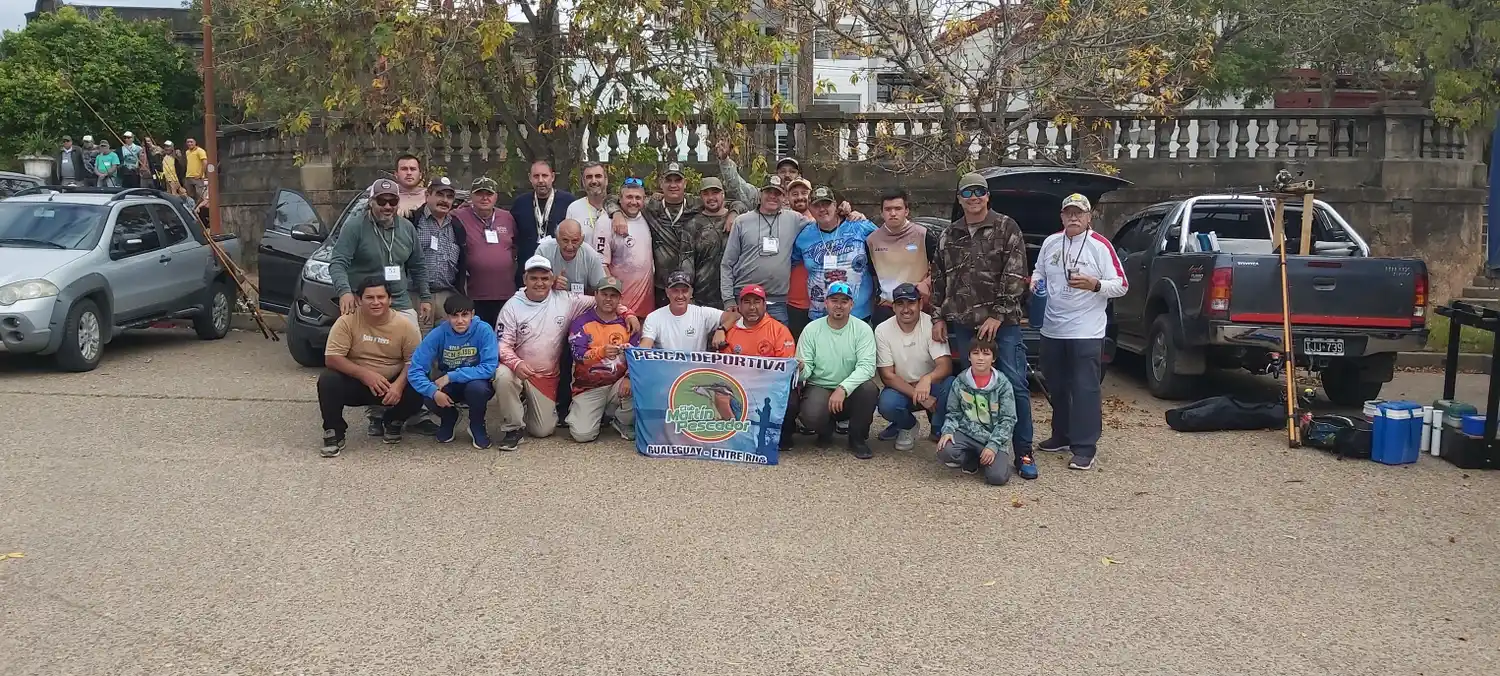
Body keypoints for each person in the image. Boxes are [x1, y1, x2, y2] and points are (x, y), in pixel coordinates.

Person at [930, 171, 1036, 480]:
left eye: (979, 191)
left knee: (1015, 386)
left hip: (1002, 326)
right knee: (971, 389)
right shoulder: (949, 235)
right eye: (967, 192)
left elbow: (1016, 275)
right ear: (960, 198)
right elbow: (938, 279)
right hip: (964, 325)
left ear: (988, 196)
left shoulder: (1006, 228)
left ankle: (1023, 450)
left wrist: (998, 314)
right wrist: (937, 315)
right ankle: (975, 449)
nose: (974, 197)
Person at [494, 255, 637, 450]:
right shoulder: (511, 306)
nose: (539, 283)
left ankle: (525, 405)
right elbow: (501, 345)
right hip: (518, 369)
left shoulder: (566, 300)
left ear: (552, 280)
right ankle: (513, 428)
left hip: (544, 377)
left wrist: (627, 312)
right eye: (534, 278)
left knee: (542, 431)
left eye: (544, 278)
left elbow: (603, 301)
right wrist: (516, 364)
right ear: (524, 279)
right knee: (502, 375)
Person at [1032, 193, 1127, 471]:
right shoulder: (1051, 242)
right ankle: (1062, 434)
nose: (1073, 218)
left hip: (1086, 330)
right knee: (1056, 385)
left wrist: (1096, 284)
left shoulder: (1101, 246)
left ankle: (1085, 446)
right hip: (1052, 328)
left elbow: (1121, 285)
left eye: (1079, 213)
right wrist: (1035, 284)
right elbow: (1039, 272)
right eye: (1068, 213)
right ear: (1061, 216)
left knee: (1085, 388)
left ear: (1089, 217)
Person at [316, 277, 425, 457]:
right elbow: (332, 358)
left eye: (381, 297)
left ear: (390, 300)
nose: (376, 302)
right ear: (359, 300)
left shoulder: (405, 326)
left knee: (420, 384)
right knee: (328, 379)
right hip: (356, 383)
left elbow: (414, 361)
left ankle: (393, 420)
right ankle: (334, 431)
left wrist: (398, 386)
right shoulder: (346, 321)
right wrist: (364, 374)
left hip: (390, 387)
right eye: (370, 297)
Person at [329, 178, 433, 327]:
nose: (387, 206)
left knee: (413, 343)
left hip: (399, 301)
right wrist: (344, 292)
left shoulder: (407, 228)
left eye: (393, 201)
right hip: (364, 301)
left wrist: (425, 297)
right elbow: (337, 263)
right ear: (371, 202)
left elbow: (418, 266)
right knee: (365, 348)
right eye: (382, 201)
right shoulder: (354, 226)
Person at [795, 281, 879, 459]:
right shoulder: (811, 329)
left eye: (844, 301)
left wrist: (843, 388)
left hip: (852, 389)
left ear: (852, 305)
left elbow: (867, 367)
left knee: (869, 390)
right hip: (820, 385)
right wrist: (801, 368)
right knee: (811, 414)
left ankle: (857, 438)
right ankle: (825, 429)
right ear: (825, 303)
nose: (839, 305)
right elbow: (806, 371)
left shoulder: (863, 330)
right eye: (834, 300)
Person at [406, 293, 499, 449]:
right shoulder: (438, 334)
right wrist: (433, 392)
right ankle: (449, 417)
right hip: (449, 385)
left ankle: (476, 424)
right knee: (426, 392)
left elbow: (489, 367)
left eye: (465, 315)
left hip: (476, 381)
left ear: (473, 314)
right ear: (447, 317)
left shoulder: (484, 330)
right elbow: (415, 370)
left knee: (477, 389)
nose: (460, 320)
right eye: (455, 316)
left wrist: (452, 376)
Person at [875, 283, 954, 451]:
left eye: (910, 303)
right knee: (887, 404)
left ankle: (938, 427)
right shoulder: (882, 330)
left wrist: (927, 379)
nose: (905, 309)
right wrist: (918, 395)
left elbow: (945, 365)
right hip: (902, 388)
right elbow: (887, 375)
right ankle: (907, 425)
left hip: (931, 386)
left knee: (952, 385)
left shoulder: (932, 324)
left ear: (920, 304)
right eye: (900, 304)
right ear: (893, 307)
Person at [720, 176, 808, 324]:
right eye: (769, 192)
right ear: (760, 194)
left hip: (777, 302)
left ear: (784, 196)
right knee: (743, 344)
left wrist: (848, 213)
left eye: (778, 193)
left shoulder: (795, 219)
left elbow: (824, 219)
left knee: (778, 345)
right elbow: (727, 263)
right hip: (745, 299)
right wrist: (728, 299)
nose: (773, 196)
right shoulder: (742, 221)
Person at [722, 283, 798, 452]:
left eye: (757, 302)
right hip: (740, 387)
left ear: (764, 305)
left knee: (791, 401)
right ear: (740, 306)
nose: (752, 307)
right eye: (747, 302)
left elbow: (784, 369)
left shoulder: (779, 330)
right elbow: (725, 367)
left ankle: (784, 437)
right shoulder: (731, 331)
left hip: (769, 386)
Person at [565, 276, 638, 442]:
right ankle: (588, 411)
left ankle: (621, 420)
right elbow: (577, 355)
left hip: (617, 385)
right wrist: (601, 352)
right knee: (582, 435)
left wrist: (628, 377)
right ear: (596, 295)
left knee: (640, 382)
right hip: (588, 388)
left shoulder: (628, 325)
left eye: (613, 296)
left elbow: (638, 356)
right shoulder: (581, 322)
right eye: (604, 294)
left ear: (619, 299)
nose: (608, 299)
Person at [937, 340, 1019, 485]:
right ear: (969, 357)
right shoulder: (960, 381)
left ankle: (990, 460)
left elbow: (1008, 419)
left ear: (993, 358)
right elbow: (953, 412)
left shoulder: (1003, 384)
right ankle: (971, 457)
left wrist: (993, 446)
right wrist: (948, 431)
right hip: (967, 433)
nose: (980, 358)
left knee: (997, 478)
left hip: (992, 436)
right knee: (944, 450)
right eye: (975, 353)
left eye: (986, 354)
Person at [793, 186, 878, 322]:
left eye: (826, 204)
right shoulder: (804, 236)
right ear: (810, 208)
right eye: (816, 205)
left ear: (835, 205)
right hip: (820, 315)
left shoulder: (859, 226)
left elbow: (887, 242)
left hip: (858, 314)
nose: (822, 209)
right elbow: (789, 261)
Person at [452, 176, 526, 327]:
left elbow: (516, 244)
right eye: (480, 193)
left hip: (506, 293)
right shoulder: (458, 216)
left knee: (503, 337)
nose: (485, 198)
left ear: (496, 197)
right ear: (471, 196)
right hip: (475, 294)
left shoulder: (507, 217)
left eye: (489, 194)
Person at [866, 189, 939, 327]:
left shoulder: (923, 235)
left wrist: (926, 284)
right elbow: (872, 274)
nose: (893, 213)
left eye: (898, 208)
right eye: (888, 209)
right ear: (881, 212)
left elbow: (942, 267)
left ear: (906, 211)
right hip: (886, 307)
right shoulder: (871, 240)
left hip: (917, 306)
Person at [594, 177, 654, 317]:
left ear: (644, 199)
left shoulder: (647, 217)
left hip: (646, 309)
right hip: (619, 310)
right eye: (629, 197)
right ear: (619, 199)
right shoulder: (605, 223)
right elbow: (600, 265)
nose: (634, 202)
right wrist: (617, 305)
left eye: (638, 198)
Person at [675, 177, 738, 310]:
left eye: (715, 193)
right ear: (701, 197)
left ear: (723, 194)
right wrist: (688, 294)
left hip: (735, 295)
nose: (711, 198)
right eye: (706, 194)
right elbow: (686, 261)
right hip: (703, 296)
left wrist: (734, 212)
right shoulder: (692, 224)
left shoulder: (739, 220)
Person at [411, 176, 464, 332]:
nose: (445, 200)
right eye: (440, 195)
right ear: (427, 196)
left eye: (449, 197)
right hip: (417, 297)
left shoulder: (457, 226)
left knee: (447, 348)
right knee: (420, 346)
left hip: (447, 297)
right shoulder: (412, 221)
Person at [640, 271, 727, 352]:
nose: (680, 296)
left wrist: (722, 329)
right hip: (665, 367)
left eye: (684, 291)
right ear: (667, 292)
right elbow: (645, 347)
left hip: (695, 368)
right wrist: (631, 352)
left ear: (691, 292)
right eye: (675, 291)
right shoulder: (654, 317)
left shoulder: (702, 313)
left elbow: (734, 316)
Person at [536, 219, 608, 295]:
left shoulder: (591, 256)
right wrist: (551, 283)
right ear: (557, 238)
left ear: (582, 239)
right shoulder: (543, 251)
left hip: (582, 302)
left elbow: (601, 289)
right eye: (565, 240)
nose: (570, 247)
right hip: (549, 300)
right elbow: (532, 284)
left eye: (574, 241)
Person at [511, 160, 575, 243]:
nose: (540, 180)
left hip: (556, 254)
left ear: (552, 177)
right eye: (536, 176)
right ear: (530, 178)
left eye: (545, 176)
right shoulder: (520, 203)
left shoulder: (568, 202)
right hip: (528, 255)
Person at [564, 161, 611, 246]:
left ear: (606, 180)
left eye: (598, 176)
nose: (593, 181)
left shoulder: (618, 207)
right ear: (583, 182)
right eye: (589, 177)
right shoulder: (574, 208)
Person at [393, 154, 427, 218]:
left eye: (413, 169)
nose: (409, 173)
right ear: (396, 174)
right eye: (404, 169)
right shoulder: (387, 195)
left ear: (420, 174)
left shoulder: (430, 195)